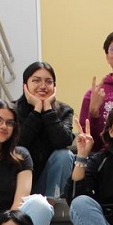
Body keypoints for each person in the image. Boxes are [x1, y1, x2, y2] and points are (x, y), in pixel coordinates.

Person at [15, 61, 75, 200]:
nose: (43, 86)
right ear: (25, 85)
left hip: (48, 184)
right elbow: (18, 142)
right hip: (19, 187)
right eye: (36, 81)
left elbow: (63, 141)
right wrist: (36, 110)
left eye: (48, 82)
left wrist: (47, 109)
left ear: (54, 86)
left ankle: (52, 202)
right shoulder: (13, 110)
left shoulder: (64, 110)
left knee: (64, 154)